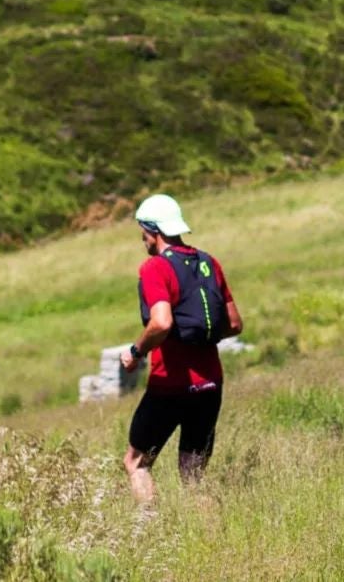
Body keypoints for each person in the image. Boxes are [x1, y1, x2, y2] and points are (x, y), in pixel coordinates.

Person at [119, 193, 242, 503]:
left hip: (170, 385)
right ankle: (213, 540)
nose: (142, 239)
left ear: (152, 230)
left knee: (136, 462)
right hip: (210, 383)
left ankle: (149, 532)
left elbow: (160, 323)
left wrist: (136, 352)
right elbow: (235, 323)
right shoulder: (208, 262)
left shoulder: (155, 268)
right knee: (193, 476)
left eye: (142, 232)